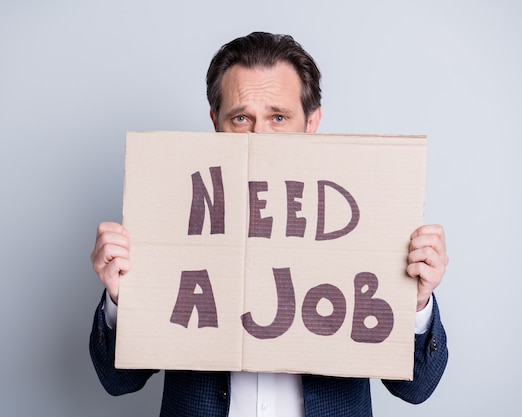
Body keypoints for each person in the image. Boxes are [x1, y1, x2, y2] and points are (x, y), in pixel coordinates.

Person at [89, 32, 449, 417]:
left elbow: (417, 390)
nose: (260, 135)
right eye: (241, 117)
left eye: (279, 117)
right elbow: (119, 382)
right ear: (216, 123)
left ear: (312, 122)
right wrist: (120, 300)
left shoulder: (367, 219)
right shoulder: (170, 214)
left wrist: (416, 302)